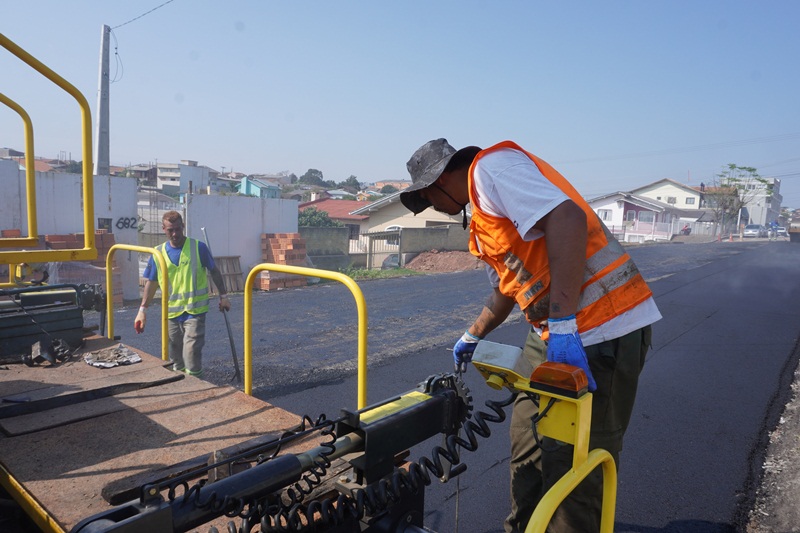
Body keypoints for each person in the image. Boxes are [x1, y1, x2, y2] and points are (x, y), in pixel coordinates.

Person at [399, 139, 662, 533]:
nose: (432, 207)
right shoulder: (483, 222)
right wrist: (472, 335)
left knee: (574, 460)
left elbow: (567, 219)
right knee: (528, 437)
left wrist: (562, 324)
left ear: (441, 179)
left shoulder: (491, 171)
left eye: (427, 198)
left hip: (603, 326)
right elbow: (509, 286)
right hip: (555, 333)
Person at [135, 210, 231, 378]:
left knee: (191, 352)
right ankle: (181, 386)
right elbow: (152, 282)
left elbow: (214, 271)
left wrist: (223, 297)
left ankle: (197, 388)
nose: (175, 234)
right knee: (176, 358)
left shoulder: (197, 248)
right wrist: (142, 310)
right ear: (163, 229)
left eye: (178, 229)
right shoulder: (158, 253)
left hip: (195, 312)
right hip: (172, 313)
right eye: (170, 230)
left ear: (183, 227)